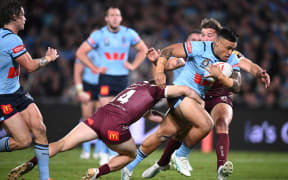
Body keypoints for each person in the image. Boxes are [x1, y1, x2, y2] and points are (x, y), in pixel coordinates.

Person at [141, 18, 270, 180]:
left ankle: (221, 169)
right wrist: (157, 63)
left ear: (218, 38)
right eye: (202, 35)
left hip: (218, 95)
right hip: (197, 94)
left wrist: (259, 73)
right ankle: (162, 163)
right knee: (180, 130)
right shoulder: (199, 50)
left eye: (209, 35)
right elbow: (172, 63)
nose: (204, 38)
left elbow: (249, 65)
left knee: (222, 121)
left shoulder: (231, 53)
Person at [6, 80, 204, 180]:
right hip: (115, 125)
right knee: (130, 154)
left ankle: (31, 163)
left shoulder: (136, 87)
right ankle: (97, 173)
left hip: (101, 115)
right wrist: (199, 101)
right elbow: (184, 90)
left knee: (62, 144)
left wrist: (160, 118)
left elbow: (145, 111)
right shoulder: (156, 90)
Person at [121, 27, 241, 180]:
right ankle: (180, 155)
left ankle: (128, 167)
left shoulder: (232, 60)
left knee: (162, 134)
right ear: (217, 42)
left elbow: (236, 86)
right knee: (206, 124)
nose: (230, 52)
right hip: (179, 93)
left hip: (194, 99)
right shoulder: (199, 47)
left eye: (233, 48)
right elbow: (167, 51)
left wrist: (222, 78)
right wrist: (159, 71)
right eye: (228, 48)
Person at [76, 6, 148, 163]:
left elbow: (144, 49)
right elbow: (80, 52)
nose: (115, 18)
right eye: (112, 15)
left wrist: (134, 65)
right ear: (106, 19)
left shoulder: (128, 33)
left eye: (117, 15)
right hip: (106, 78)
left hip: (123, 78)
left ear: (121, 18)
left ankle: (113, 151)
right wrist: (94, 68)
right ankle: (103, 153)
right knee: (106, 116)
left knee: (121, 118)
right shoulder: (99, 35)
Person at [0, 1, 59, 180]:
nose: (25, 18)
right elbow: (31, 66)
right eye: (23, 15)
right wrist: (48, 59)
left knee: (40, 128)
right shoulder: (10, 39)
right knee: (23, 141)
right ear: (14, 17)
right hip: (3, 97)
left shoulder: (8, 37)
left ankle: (44, 178)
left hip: (17, 91)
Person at [74, 49, 106, 160]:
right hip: (88, 85)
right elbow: (77, 72)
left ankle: (99, 151)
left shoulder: (106, 51)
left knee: (100, 119)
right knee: (86, 117)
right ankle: (86, 150)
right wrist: (79, 91)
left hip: (102, 84)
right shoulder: (85, 52)